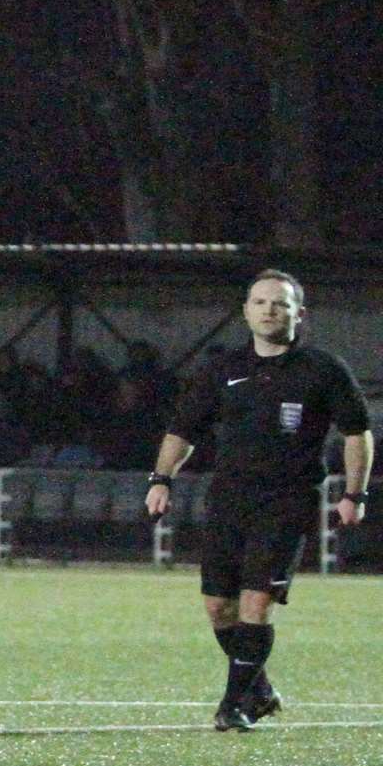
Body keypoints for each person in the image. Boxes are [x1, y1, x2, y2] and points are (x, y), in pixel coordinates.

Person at [145, 270, 372, 731]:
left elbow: (357, 433)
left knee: (256, 603)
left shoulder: (323, 369)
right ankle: (259, 689)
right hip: (229, 499)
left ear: (299, 314)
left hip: (288, 500)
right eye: (261, 302)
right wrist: (161, 478)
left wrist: (354, 492)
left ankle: (234, 704)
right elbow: (184, 429)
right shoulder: (223, 369)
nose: (270, 310)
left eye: (280, 304)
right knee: (217, 607)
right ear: (246, 310)